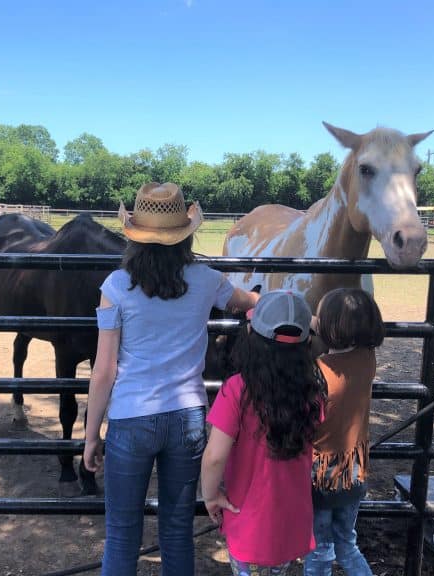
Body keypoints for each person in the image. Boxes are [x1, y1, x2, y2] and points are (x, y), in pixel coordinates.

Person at [82, 182, 259, 576]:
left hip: (131, 419)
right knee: (177, 532)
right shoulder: (207, 280)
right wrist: (297, 311)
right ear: (185, 234)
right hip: (188, 417)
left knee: (122, 535)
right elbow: (251, 302)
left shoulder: (114, 287)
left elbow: (104, 369)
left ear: (135, 236)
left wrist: (92, 434)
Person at [201, 289, 325, 576]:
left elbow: (214, 457)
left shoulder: (236, 390)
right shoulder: (313, 394)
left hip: (247, 524)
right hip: (292, 523)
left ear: (251, 337)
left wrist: (210, 495)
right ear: (306, 342)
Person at [304, 288, 385, 576]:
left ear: (330, 328)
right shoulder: (367, 360)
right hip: (355, 470)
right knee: (347, 544)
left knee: (319, 547)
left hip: (321, 474)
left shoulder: (318, 371)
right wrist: (320, 320)